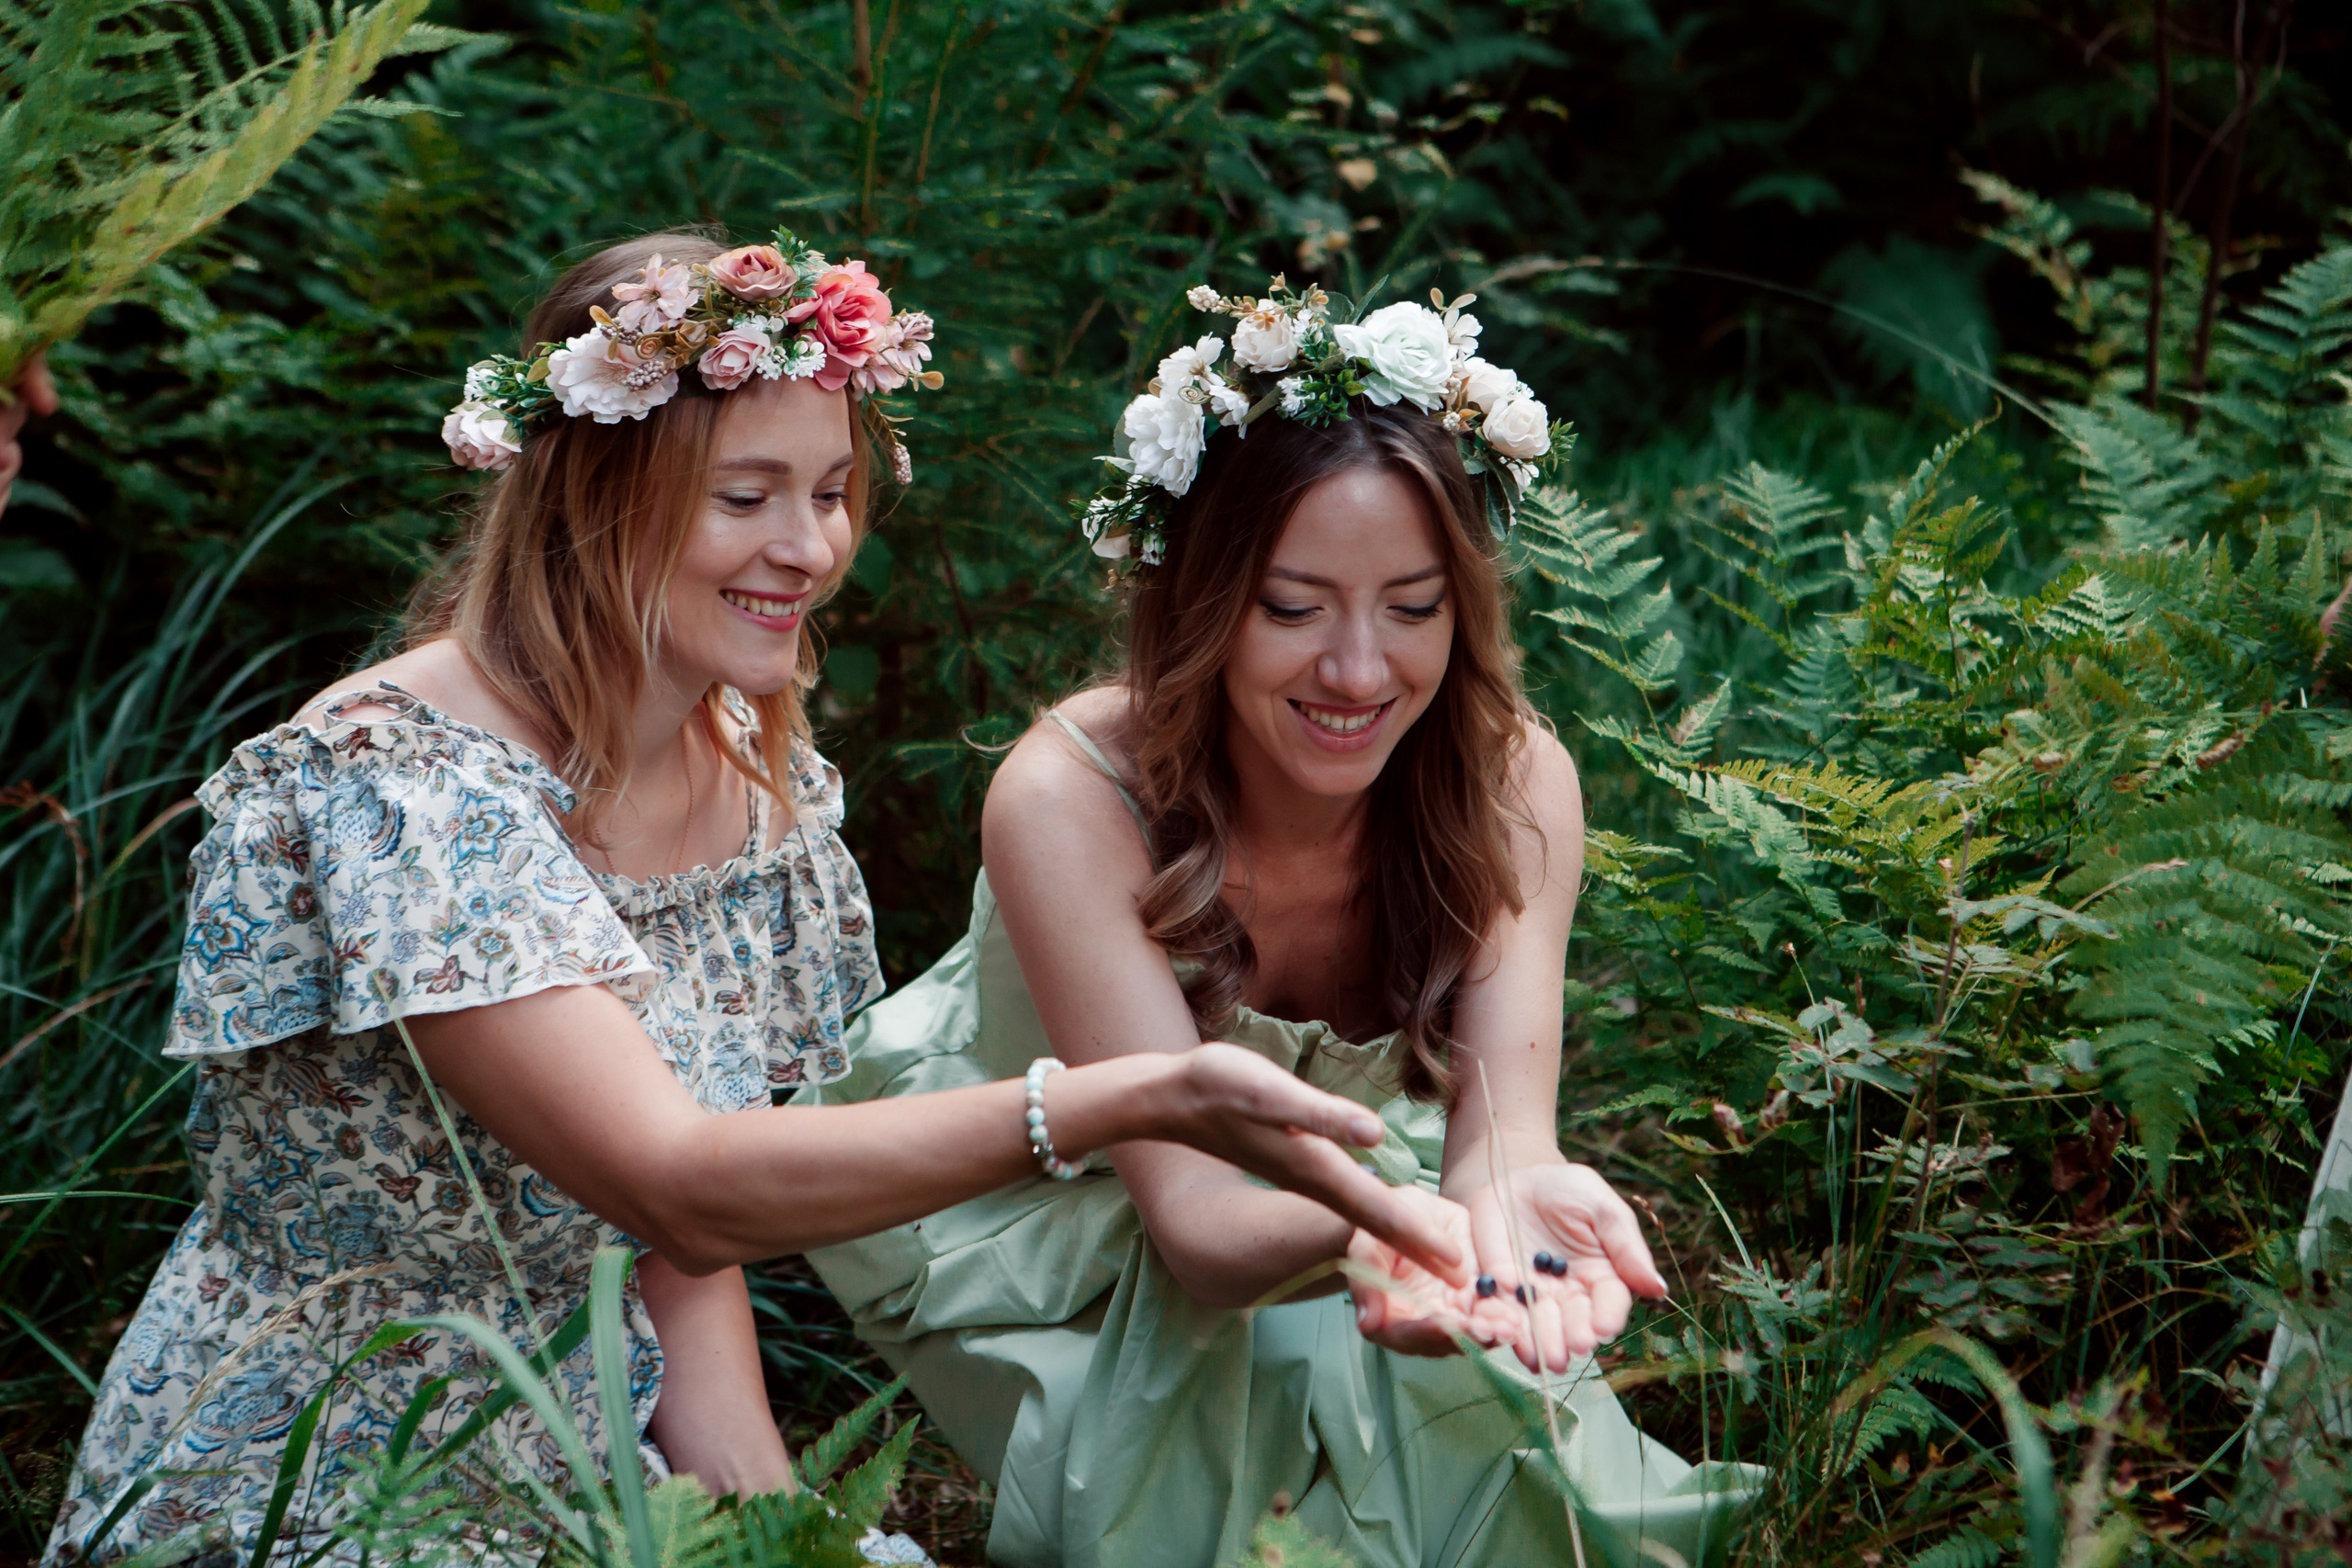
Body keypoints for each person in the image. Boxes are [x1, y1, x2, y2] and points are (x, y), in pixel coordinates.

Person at [43, 237, 1463, 1566]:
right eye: (745, 497)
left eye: (832, 492)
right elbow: (676, 1182)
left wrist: (778, 1532)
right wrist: (1120, 1099)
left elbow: (673, 1265)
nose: (810, 548)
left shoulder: (758, 790)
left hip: (607, 1454)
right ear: (596, 496)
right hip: (335, 1464)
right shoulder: (408, 794)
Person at [802, 280, 1762, 1567]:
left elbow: (1497, 1149)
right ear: (1201, 599)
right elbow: (1197, 1226)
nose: (1359, 672)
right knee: (1234, 1492)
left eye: (1414, 609)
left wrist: (1505, 1218)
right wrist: (1397, 1229)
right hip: (1068, 1221)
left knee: (1515, 1486)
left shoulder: (1515, 782)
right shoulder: (1069, 798)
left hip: (1363, 1189)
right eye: (1294, 607)